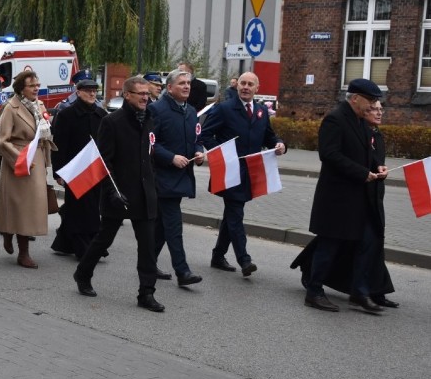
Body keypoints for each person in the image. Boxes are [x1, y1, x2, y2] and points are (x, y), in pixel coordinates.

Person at [290, 99, 397, 308]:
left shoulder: (371, 132)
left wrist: (379, 169)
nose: (377, 112)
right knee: (331, 243)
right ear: (358, 100)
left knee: (369, 243)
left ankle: (363, 290)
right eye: (373, 107)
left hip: (367, 198)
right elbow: (330, 155)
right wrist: (364, 173)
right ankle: (314, 288)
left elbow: (369, 158)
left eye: (380, 109)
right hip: (340, 197)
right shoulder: (336, 120)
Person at [72, 76, 165, 312]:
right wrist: (112, 191)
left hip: (145, 192)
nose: (146, 97)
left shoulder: (150, 119)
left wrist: (154, 183)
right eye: (140, 93)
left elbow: (150, 154)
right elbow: (104, 161)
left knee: (147, 245)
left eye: (147, 93)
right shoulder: (112, 122)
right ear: (127, 95)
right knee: (105, 238)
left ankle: (146, 292)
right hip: (119, 192)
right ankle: (83, 274)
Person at [200, 72, 286, 276]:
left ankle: (218, 255)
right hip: (230, 171)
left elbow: (269, 136)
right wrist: (221, 153)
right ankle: (244, 259)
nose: (246, 87)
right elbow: (204, 134)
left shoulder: (261, 110)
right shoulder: (224, 109)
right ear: (237, 86)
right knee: (236, 213)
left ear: (257, 88)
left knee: (232, 213)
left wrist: (280, 145)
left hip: (250, 171)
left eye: (250, 84)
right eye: (243, 83)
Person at [148, 68, 205, 286]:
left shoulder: (191, 111)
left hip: (182, 177)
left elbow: (196, 138)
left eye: (188, 83)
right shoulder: (157, 109)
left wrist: (198, 152)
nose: (186, 86)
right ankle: (182, 271)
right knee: (173, 225)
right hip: (162, 177)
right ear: (169, 88)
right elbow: (150, 143)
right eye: (181, 83)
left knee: (162, 226)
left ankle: (148, 263)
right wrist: (171, 157)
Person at [0, 70, 54, 268]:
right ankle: (20, 249)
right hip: (18, 159)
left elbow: (43, 132)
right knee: (19, 206)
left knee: (31, 207)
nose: (36, 88)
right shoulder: (11, 108)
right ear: (21, 88)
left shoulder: (39, 105)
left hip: (36, 158)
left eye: (38, 85)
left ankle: (15, 238)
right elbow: (1, 140)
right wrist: (20, 158)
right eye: (32, 86)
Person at [50, 78, 106, 259]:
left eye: (94, 90)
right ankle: (85, 248)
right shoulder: (67, 115)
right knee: (80, 208)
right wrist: (58, 171)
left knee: (89, 207)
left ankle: (64, 243)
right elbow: (59, 145)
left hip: (95, 169)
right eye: (87, 90)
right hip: (74, 170)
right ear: (78, 91)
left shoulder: (101, 114)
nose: (91, 94)